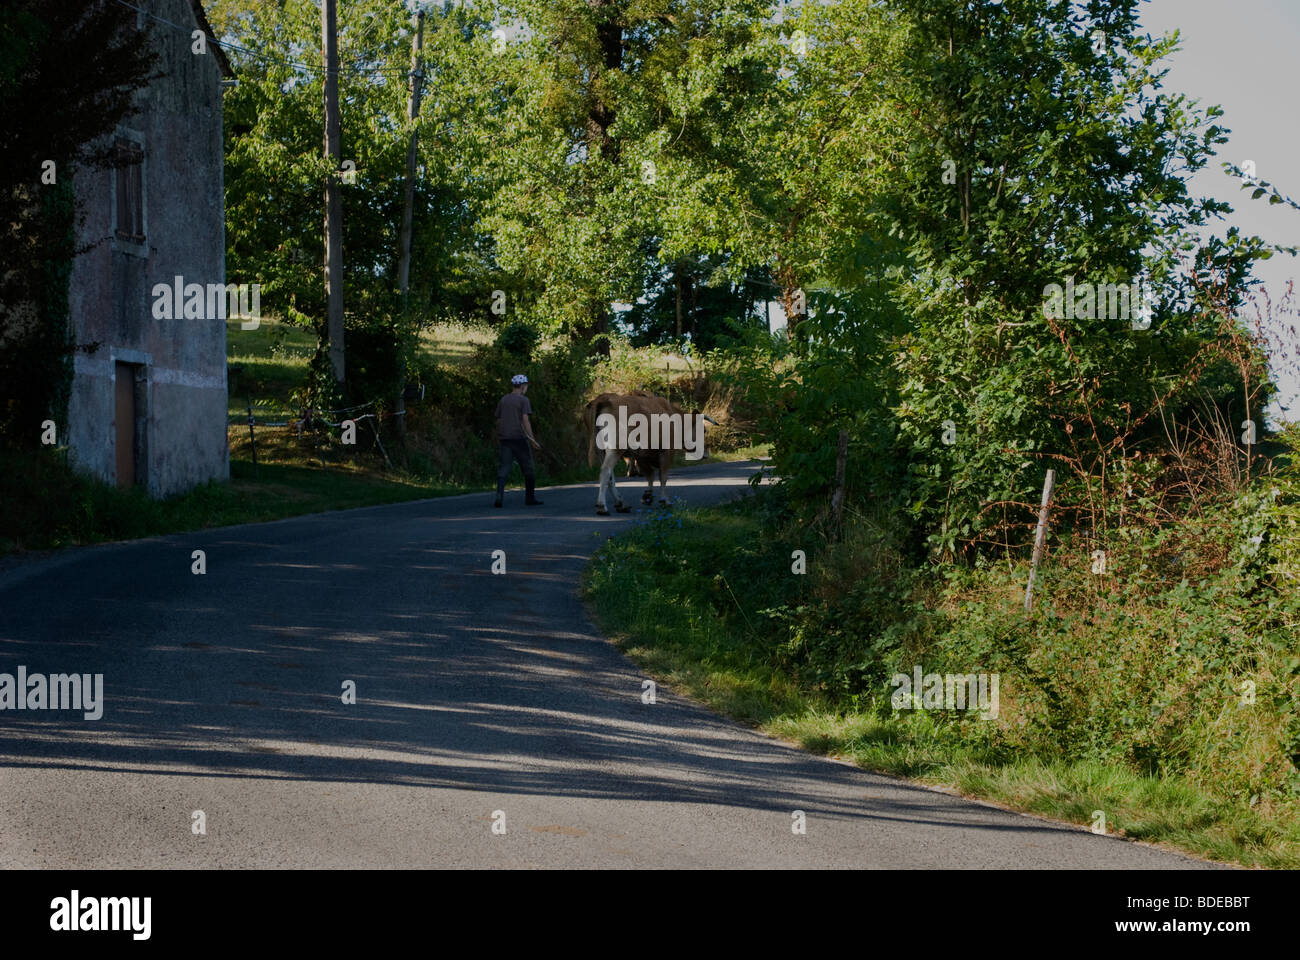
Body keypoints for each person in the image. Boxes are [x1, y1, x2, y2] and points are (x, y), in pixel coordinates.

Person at [494, 374, 543, 507]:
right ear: (522, 386)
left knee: (503, 469)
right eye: (526, 386)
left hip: (505, 439)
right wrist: (532, 439)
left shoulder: (503, 399)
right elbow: (525, 420)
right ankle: (530, 498)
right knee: (528, 469)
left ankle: (499, 495)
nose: (526, 388)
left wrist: (500, 433)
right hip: (520, 439)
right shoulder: (523, 400)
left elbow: (498, 420)